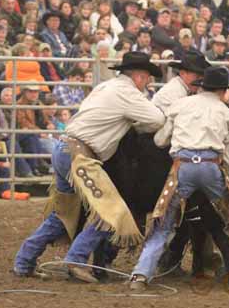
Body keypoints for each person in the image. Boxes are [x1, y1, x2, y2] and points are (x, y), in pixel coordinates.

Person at [13, 52, 165, 282]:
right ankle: (76, 260)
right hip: (81, 157)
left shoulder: (105, 87)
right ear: (139, 76)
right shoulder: (128, 93)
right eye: (147, 78)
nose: (148, 83)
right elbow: (157, 120)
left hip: (64, 148)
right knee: (111, 211)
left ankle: (24, 261)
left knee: (64, 214)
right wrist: (133, 122)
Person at [129, 66, 229, 290]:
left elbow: (160, 141)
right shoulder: (226, 113)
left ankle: (140, 274)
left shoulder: (180, 105)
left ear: (202, 86)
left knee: (163, 220)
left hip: (182, 167)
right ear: (222, 90)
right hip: (211, 166)